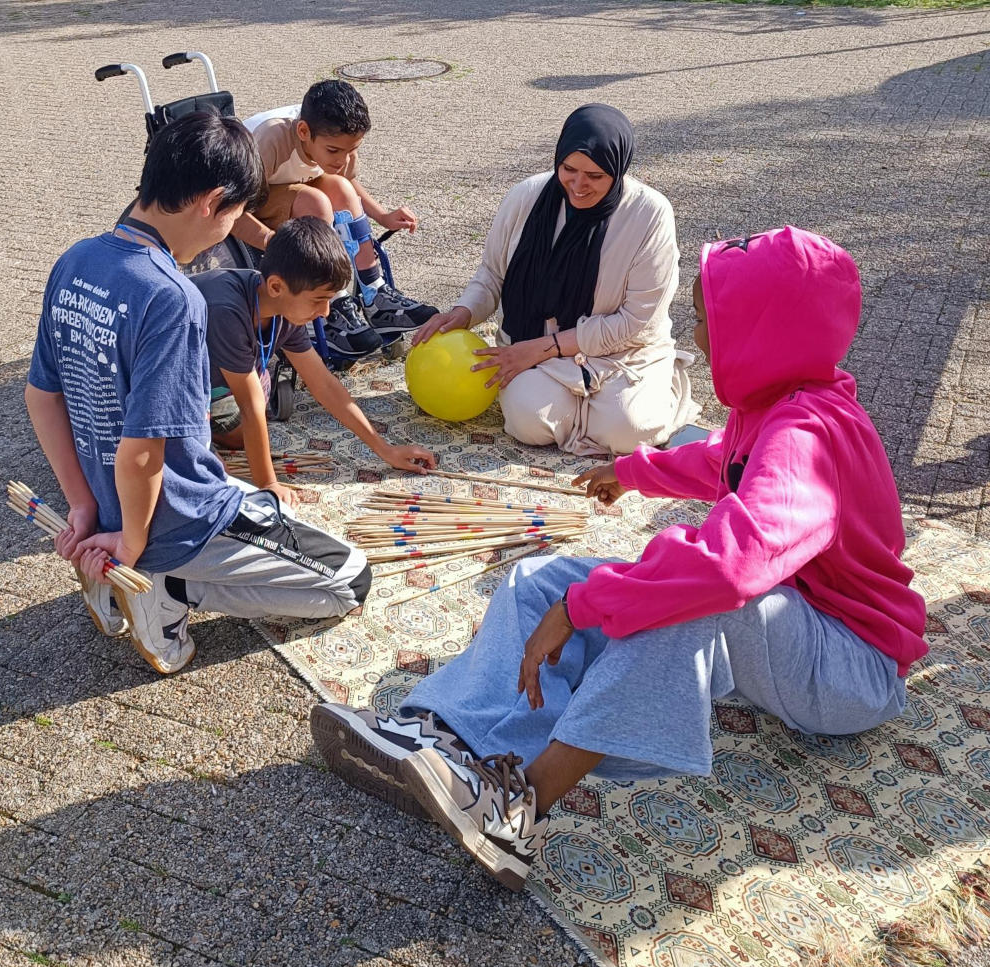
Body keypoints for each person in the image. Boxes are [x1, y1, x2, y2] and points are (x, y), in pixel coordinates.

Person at [312, 227, 928, 891]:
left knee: (681, 604)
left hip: (852, 668)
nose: (694, 337)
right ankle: (443, 735)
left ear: (762, 331)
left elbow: (728, 569)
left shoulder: (809, 436)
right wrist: (633, 473)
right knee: (539, 579)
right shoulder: (778, 402)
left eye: (707, 320)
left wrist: (589, 606)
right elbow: (723, 462)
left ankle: (517, 807)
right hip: (791, 634)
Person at [26, 112, 372, 677]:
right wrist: (133, 548)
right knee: (349, 580)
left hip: (107, 501)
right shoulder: (172, 296)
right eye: (238, 215)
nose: (236, 229)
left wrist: (85, 507)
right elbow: (143, 452)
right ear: (213, 202)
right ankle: (166, 589)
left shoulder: (76, 260)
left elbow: (42, 396)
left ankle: (113, 578)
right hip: (174, 519)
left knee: (244, 499)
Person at [415, 103, 699, 457]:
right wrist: (463, 312)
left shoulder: (650, 215)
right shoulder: (525, 196)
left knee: (631, 432)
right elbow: (491, 275)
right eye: (568, 169)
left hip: (622, 352)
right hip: (531, 345)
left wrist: (541, 348)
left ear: (619, 168)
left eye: (595, 176)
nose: (578, 186)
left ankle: (655, 389)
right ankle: (589, 411)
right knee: (529, 423)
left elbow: (634, 320)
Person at [192, 217, 437, 506]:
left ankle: (201, 436)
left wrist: (384, 449)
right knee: (205, 472)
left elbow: (323, 382)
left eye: (330, 300)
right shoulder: (227, 311)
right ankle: (192, 439)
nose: (324, 313)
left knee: (244, 436)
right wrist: (268, 485)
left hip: (211, 385)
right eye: (318, 300)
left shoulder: (284, 306)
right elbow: (250, 403)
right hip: (156, 392)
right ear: (275, 287)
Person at [232, 80, 438, 360]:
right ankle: (332, 304)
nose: (343, 159)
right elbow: (232, 212)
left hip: (291, 184)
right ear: (303, 132)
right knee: (316, 203)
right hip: (252, 197)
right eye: (334, 151)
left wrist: (383, 216)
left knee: (341, 188)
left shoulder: (333, 138)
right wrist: (272, 242)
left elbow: (348, 180)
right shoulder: (269, 143)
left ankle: (374, 293)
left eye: (351, 150)